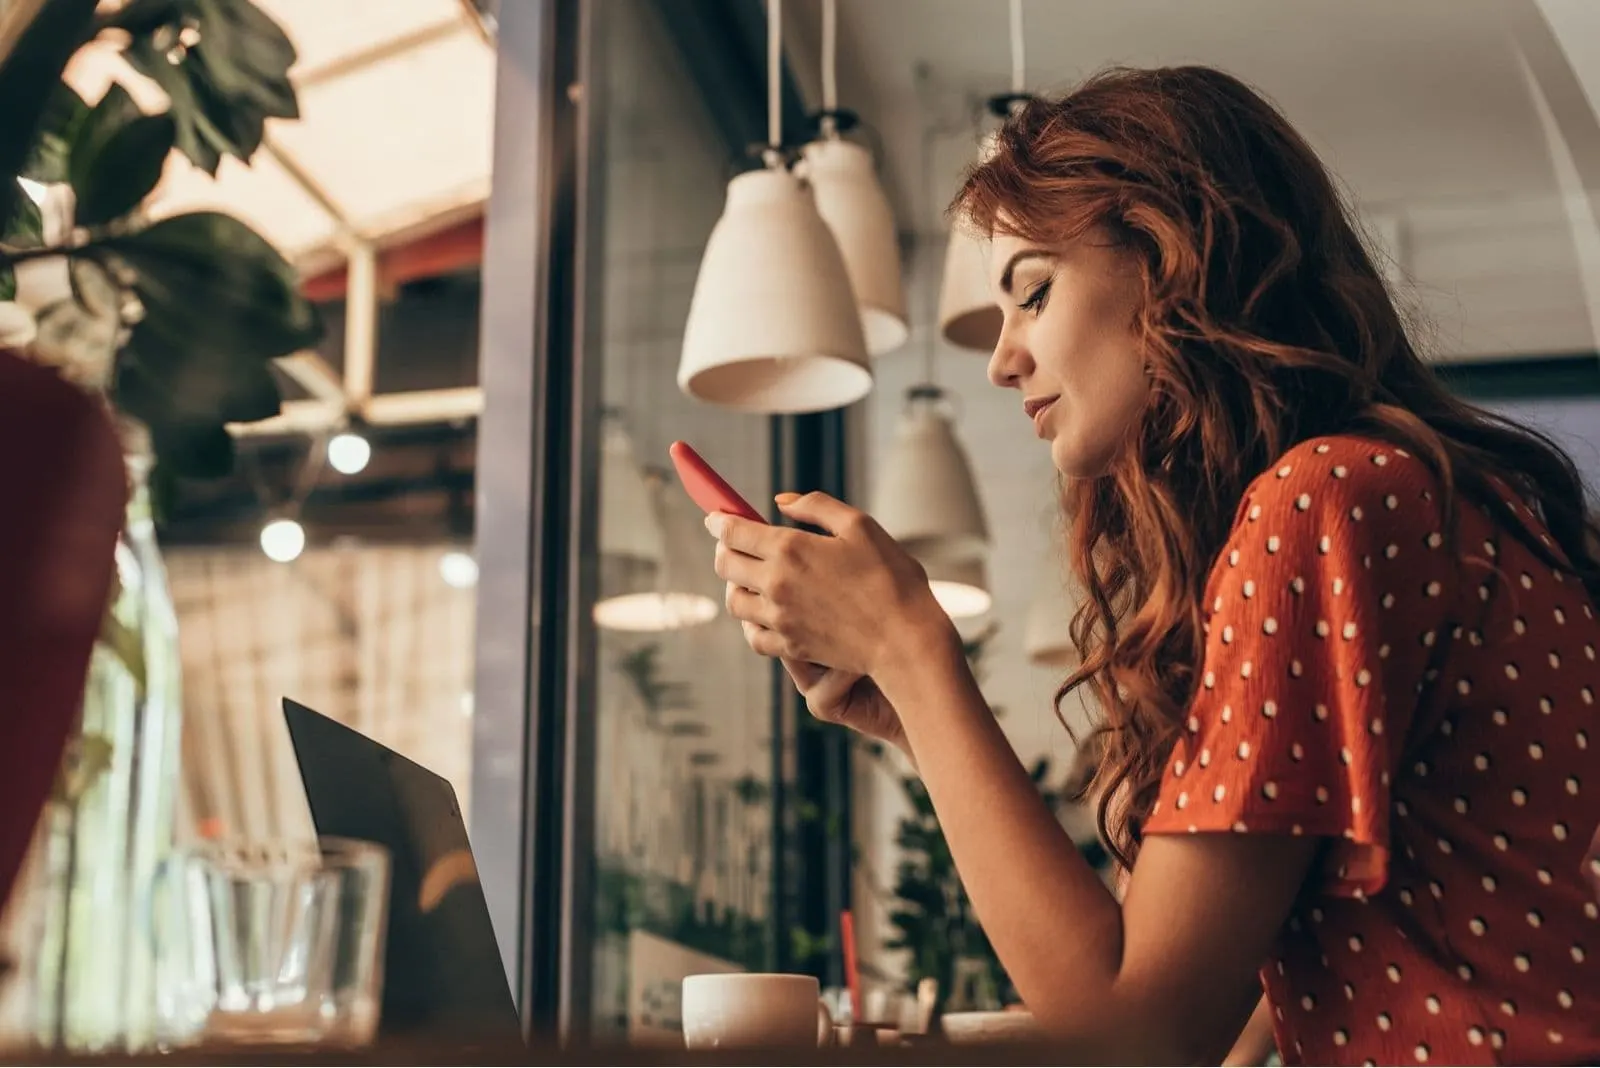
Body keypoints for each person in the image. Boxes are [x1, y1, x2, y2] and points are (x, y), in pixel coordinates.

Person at [704, 66, 1600, 1065]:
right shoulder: (1411, 493)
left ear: (1173, 256)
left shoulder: (1323, 499)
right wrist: (914, 706)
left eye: (1033, 293)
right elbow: (1194, 970)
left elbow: (1134, 1032)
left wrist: (914, 651)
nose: (1002, 361)